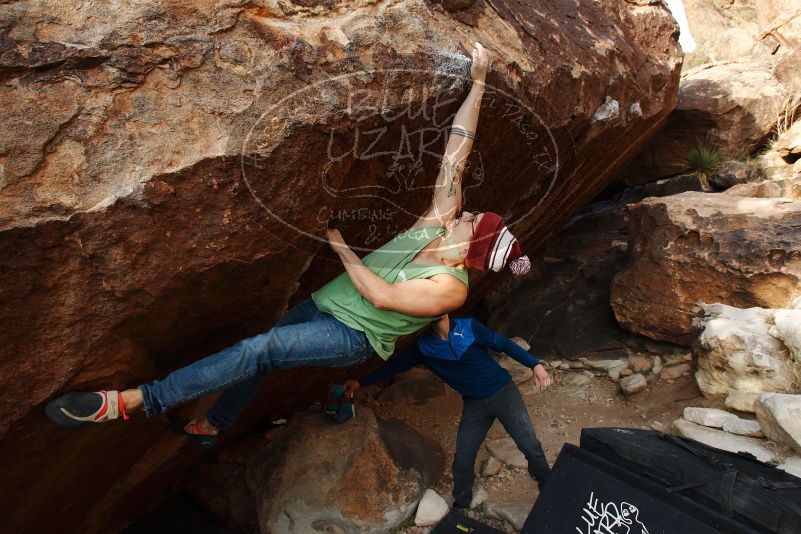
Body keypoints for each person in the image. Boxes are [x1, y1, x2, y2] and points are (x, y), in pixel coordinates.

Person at [44, 42, 531, 450]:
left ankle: (134, 402)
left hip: (351, 335)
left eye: (473, 220)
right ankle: (216, 423)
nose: (466, 212)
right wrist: (480, 83)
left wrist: (338, 245)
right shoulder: (439, 221)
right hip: (324, 305)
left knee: (261, 348)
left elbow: (381, 297)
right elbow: (457, 149)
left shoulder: (451, 288)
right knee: (261, 356)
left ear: (474, 248)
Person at [345, 313, 552, 510]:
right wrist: (360, 382)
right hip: (475, 405)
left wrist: (535, 365)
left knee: (529, 444)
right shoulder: (423, 347)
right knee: (463, 458)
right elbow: (394, 366)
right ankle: (462, 504)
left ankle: (549, 490)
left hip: (503, 392)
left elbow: (504, 343)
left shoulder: (469, 327)